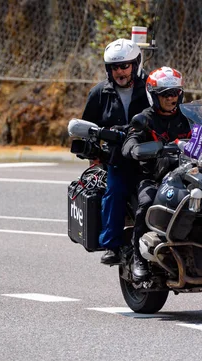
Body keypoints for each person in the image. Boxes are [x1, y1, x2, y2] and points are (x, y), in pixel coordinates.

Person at [81, 38, 149, 265]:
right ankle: (111, 245)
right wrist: (93, 150)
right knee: (114, 192)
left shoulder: (152, 88)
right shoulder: (100, 93)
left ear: (136, 64)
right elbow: (86, 127)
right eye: (114, 67)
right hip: (118, 159)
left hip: (151, 157)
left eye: (124, 66)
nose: (120, 71)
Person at [122, 66, 191, 281]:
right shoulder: (144, 119)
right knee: (147, 202)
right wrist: (136, 148)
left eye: (175, 93)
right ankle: (138, 258)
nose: (172, 98)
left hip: (187, 175)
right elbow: (129, 143)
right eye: (166, 94)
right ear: (154, 96)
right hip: (154, 177)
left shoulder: (187, 117)